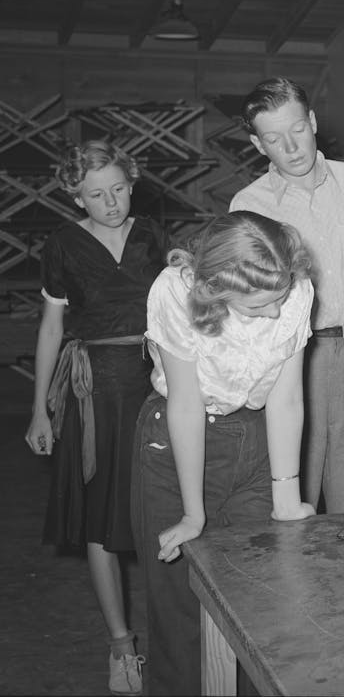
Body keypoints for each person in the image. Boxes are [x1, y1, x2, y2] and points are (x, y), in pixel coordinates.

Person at [131, 211, 315, 695]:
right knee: (179, 606)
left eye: (279, 299)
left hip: (255, 433)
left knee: (260, 598)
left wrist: (286, 498)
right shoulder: (174, 291)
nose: (274, 313)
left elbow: (287, 397)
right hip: (179, 440)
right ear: (215, 290)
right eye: (257, 307)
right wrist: (194, 514)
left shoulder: (295, 287)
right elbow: (186, 404)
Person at [24, 140, 168, 695]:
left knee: (164, 513)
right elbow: (51, 328)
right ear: (76, 196)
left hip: (156, 387)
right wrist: (40, 409)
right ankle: (121, 646)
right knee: (100, 519)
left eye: (119, 189)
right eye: (96, 194)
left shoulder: (153, 236)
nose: (111, 203)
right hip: (95, 394)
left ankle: (177, 639)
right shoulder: (63, 245)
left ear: (132, 183)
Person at [230, 77, 344, 514]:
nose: (291, 147)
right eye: (273, 139)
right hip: (291, 361)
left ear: (313, 121)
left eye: (298, 129)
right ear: (258, 145)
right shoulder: (248, 204)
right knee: (292, 497)